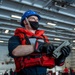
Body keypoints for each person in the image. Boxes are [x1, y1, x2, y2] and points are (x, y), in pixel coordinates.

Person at [8, 10, 71, 75]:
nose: (36, 21)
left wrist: (61, 58)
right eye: (33, 18)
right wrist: (39, 46)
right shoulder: (15, 38)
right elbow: (15, 52)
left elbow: (52, 60)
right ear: (25, 21)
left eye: (37, 19)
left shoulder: (44, 39)